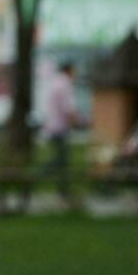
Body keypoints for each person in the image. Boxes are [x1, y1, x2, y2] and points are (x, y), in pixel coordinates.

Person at [41, 61, 81, 197]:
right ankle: (38, 176)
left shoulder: (55, 82)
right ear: (68, 71)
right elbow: (68, 108)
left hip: (52, 126)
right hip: (59, 127)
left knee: (61, 159)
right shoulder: (64, 84)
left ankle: (63, 189)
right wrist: (78, 122)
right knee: (61, 160)